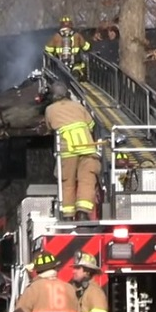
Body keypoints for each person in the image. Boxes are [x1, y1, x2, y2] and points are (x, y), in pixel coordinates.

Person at [44, 81, 102, 221]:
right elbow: (91, 125)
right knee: (87, 181)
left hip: (67, 151)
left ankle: (68, 216)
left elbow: (49, 127)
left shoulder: (50, 110)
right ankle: (82, 213)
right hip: (87, 148)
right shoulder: (78, 106)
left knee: (67, 183)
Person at [44, 16, 92, 80]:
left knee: (60, 75)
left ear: (61, 25)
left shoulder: (56, 36)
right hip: (75, 62)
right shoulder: (77, 35)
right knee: (78, 66)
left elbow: (48, 50)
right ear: (71, 24)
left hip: (60, 63)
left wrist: (53, 58)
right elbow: (86, 47)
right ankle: (76, 73)